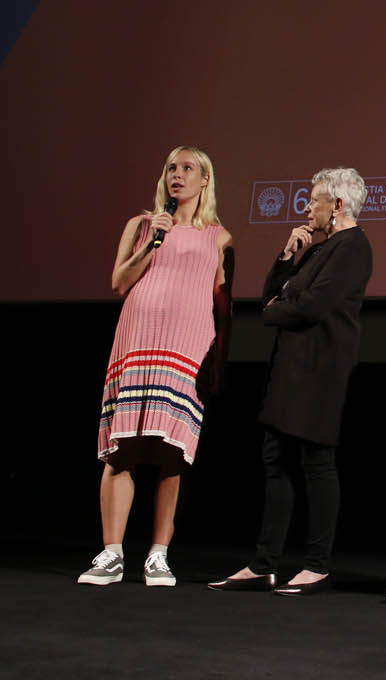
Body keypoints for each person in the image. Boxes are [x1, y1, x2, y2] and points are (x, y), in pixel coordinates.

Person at [208, 168, 373, 596]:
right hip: (290, 368)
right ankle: (264, 565)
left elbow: (310, 307)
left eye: (314, 200)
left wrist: (279, 307)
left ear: (337, 204)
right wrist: (286, 257)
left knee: (317, 461)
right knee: (276, 459)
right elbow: (271, 296)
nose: (307, 207)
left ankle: (317, 566)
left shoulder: (353, 247)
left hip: (320, 369)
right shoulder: (317, 250)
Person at [78, 146, 234, 587]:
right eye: (171, 168)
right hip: (137, 342)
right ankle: (111, 553)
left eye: (187, 168)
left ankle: (158, 555)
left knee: (172, 453)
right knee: (121, 447)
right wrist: (151, 242)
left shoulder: (219, 238)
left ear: (205, 180)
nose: (176, 175)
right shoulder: (142, 225)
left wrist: (219, 361)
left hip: (185, 349)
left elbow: (223, 304)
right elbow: (119, 282)